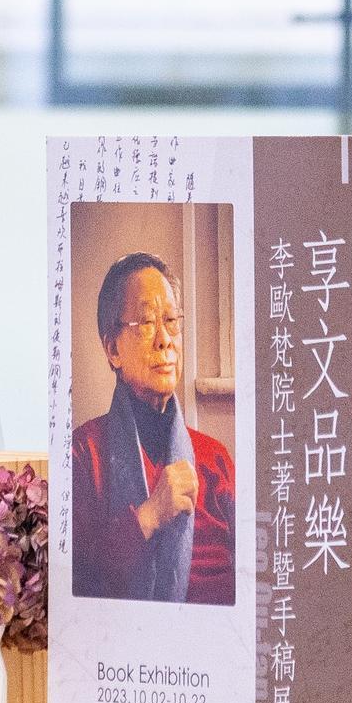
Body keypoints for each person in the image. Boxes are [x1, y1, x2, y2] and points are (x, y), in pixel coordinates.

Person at [70, 252, 236, 604]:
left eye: (171, 320)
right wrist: (149, 515)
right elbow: (77, 585)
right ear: (112, 348)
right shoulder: (84, 453)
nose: (165, 340)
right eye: (146, 323)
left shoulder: (214, 458)